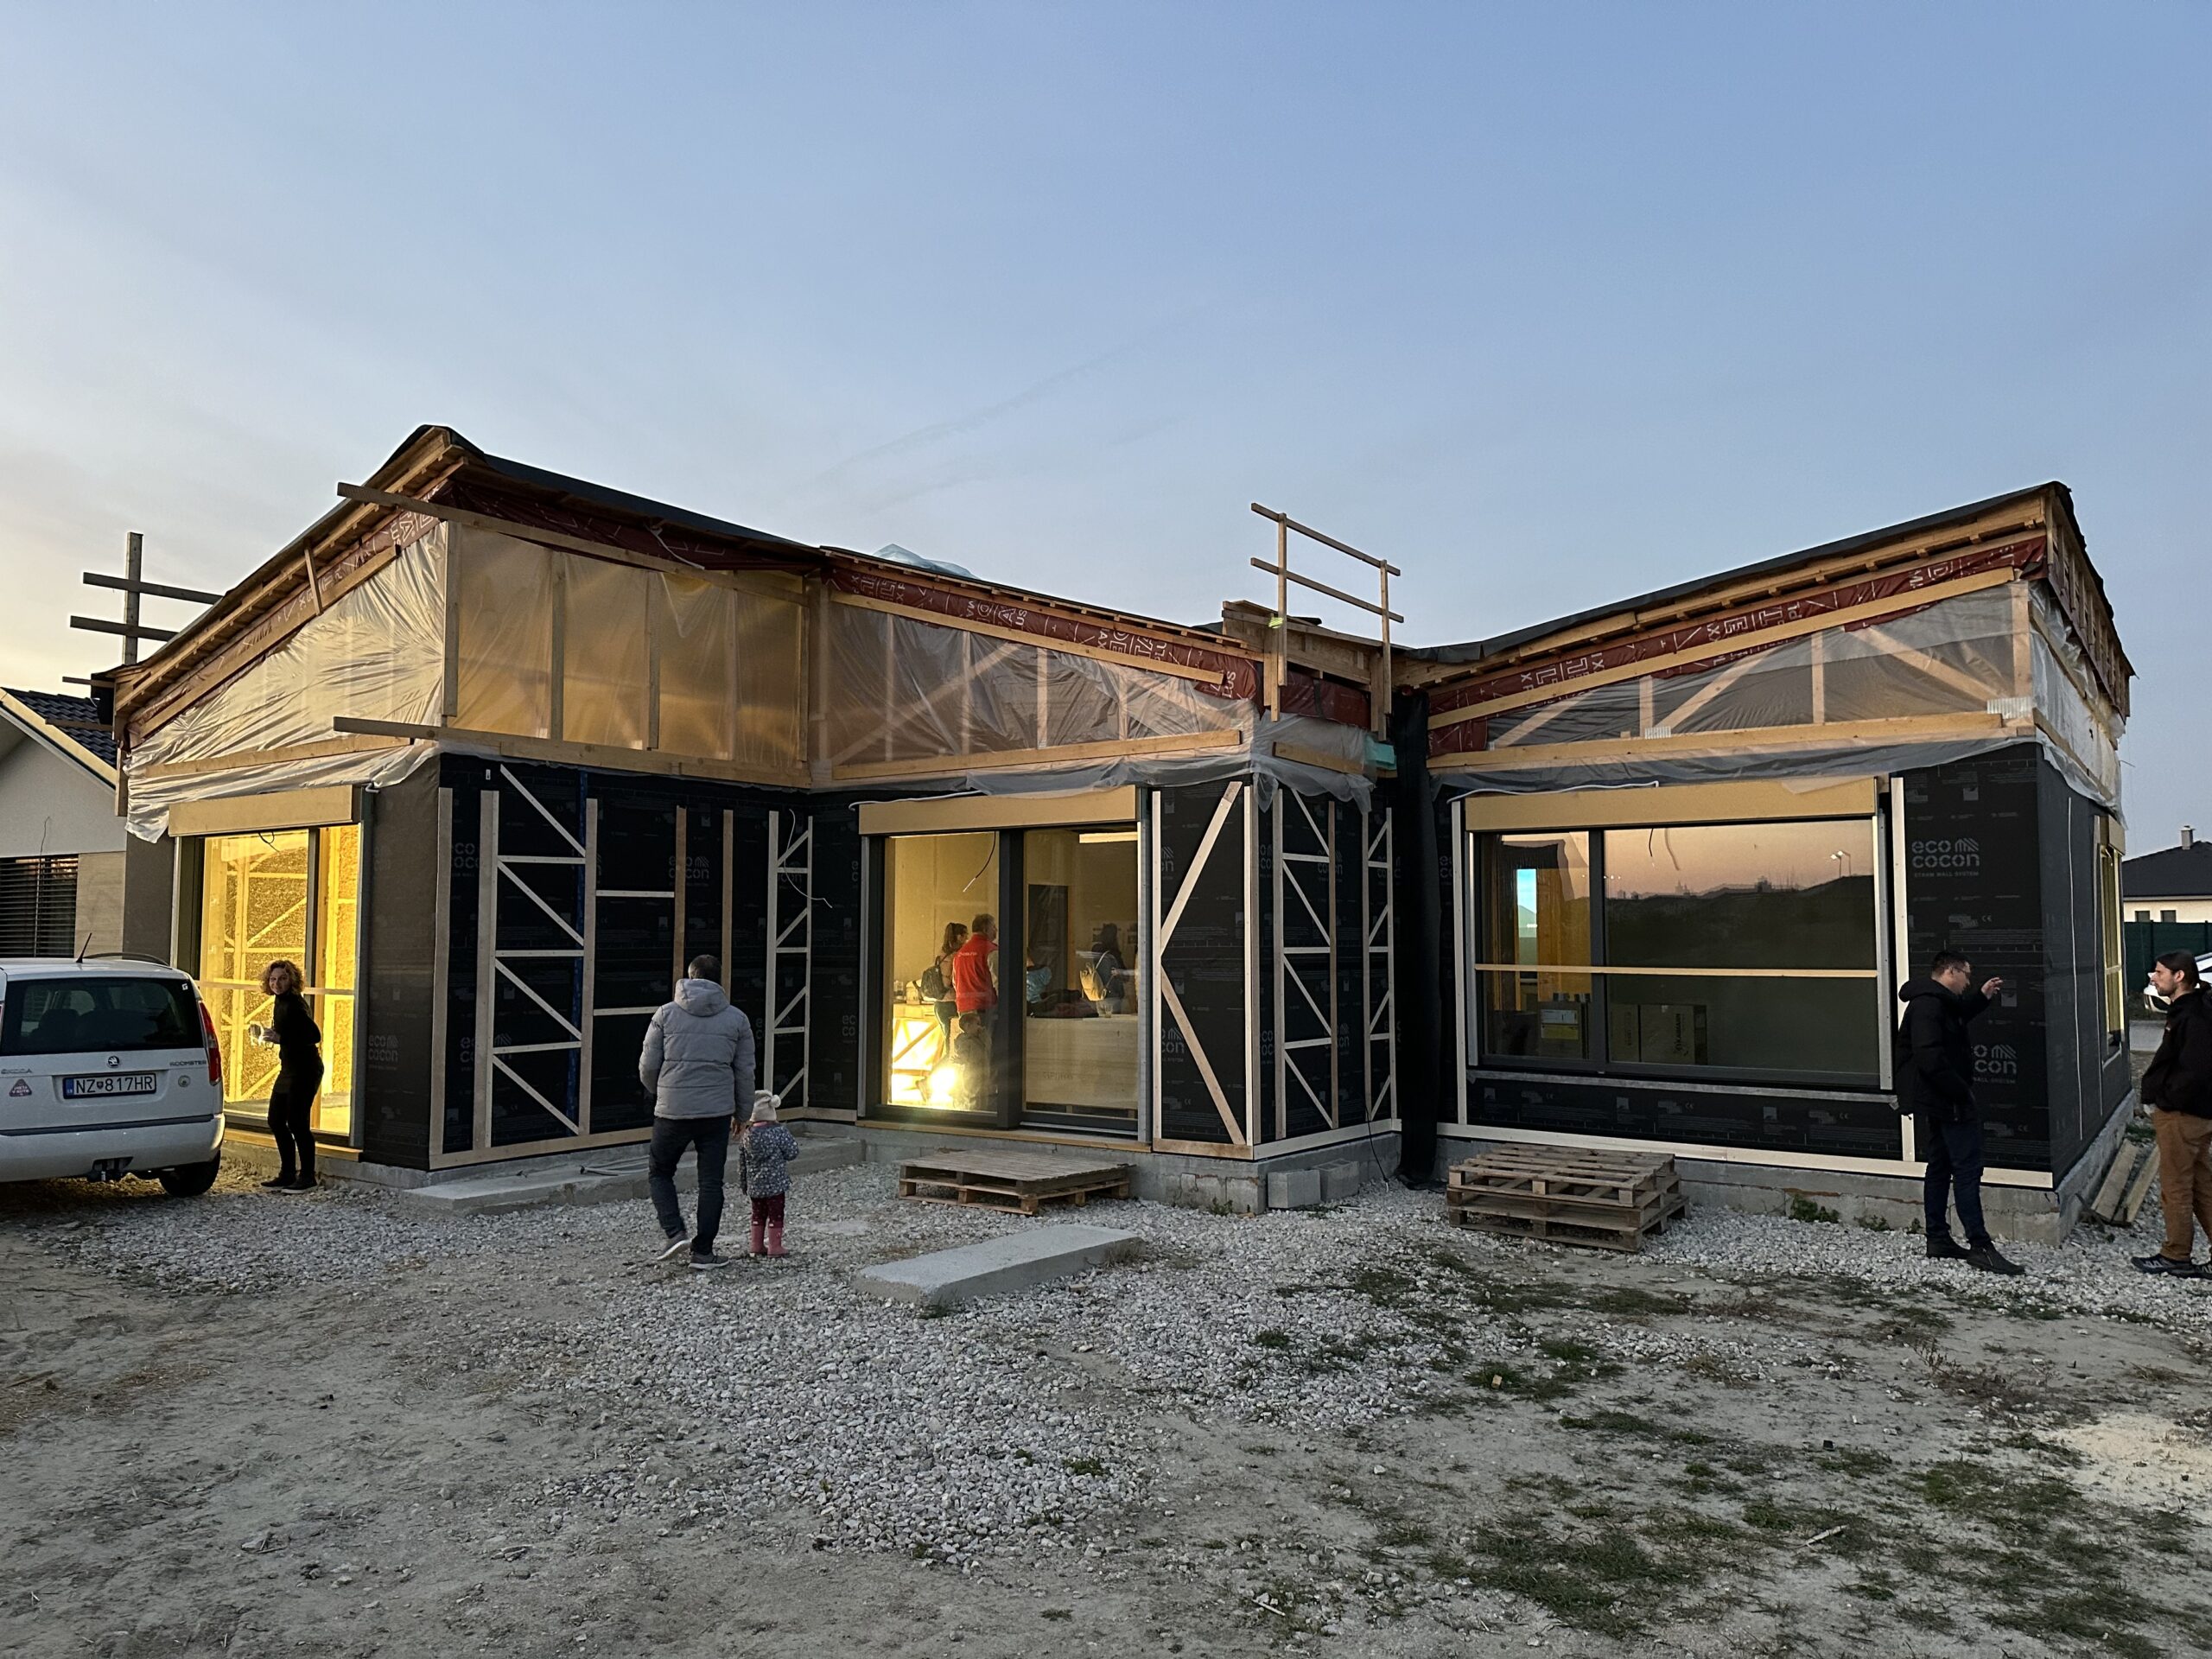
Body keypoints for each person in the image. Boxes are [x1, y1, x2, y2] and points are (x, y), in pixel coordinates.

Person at [1895, 950, 2023, 1274]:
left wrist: (1981, 997)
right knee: (1967, 1169)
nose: (1968, 981)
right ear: (1950, 971)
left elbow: (1958, 1015)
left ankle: (1938, 1239)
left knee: (1940, 1166)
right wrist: (1960, 1091)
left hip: (1940, 1098)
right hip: (1948, 1100)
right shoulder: (1928, 1005)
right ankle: (1980, 1246)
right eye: (1966, 974)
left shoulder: (1937, 1000)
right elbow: (1929, 1055)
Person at [639, 955, 754, 1271]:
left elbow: (648, 1065)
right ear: (719, 979)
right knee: (711, 1182)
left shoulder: (665, 1014)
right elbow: (745, 1072)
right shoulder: (737, 1019)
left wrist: (662, 1091)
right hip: (716, 1113)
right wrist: (743, 1114)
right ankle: (703, 1253)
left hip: (672, 1111)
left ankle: (674, 1232)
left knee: (660, 1171)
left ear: (690, 976)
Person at [2133, 950, 2212, 1277]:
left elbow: (2196, 1068)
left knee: (2176, 1186)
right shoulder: (2191, 1010)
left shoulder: (2192, 1015)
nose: (2153, 977)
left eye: (2159, 972)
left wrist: (2166, 1099)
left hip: (2182, 1115)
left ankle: (2176, 1255)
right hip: (2193, 1113)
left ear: (2179, 976)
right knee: (2202, 1185)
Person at [258, 959, 323, 1192]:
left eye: (282, 979)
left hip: (305, 1070)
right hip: (289, 1069)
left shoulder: (295, 1004)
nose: (276, 984)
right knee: (276, 1120)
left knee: (297, 1122)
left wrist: (281, 1038)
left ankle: (307, 1176)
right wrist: (273, 1035)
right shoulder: (280, 1001)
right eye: (273, 979)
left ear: (292, 980)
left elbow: (314, 1035)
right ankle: (287, 1173)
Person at [736, 1091, 802, 1258]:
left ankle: (756, 1245)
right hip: (776, 1184)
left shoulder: (747, 1135)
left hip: (755, 1186)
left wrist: (744, 1184)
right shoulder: (779, 1132)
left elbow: (742, 1164)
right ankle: (775, 1246)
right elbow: (792, 1152)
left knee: (757, 1214)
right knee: (776, 1214)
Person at [925, 922, 968, 1046]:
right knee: (954, 1042)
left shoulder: (941, 954)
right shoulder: (956, 956)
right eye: (965, 935)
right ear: (959, 937)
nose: (967, 939)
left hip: (939, 1003)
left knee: (947, 1039)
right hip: (951, 1002)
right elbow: (955, 980)